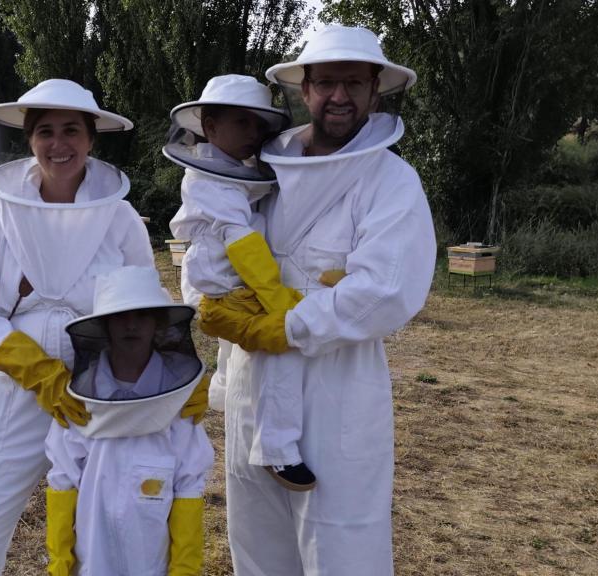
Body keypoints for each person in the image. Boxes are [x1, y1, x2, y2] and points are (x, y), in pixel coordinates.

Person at [0, 79, 208, 575]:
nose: (58, 144)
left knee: (113, 534)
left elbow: (144, 305)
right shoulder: (1, 211)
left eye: (71, 130)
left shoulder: (119, 216)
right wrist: (39, 372)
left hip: (106, 389)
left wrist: (179, 379)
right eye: (45, 131)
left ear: (91, 138)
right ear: (29, 139)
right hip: (21, 388)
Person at [197, 26, 437, 575]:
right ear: (304, 89)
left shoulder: (391, 181)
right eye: (326, 82)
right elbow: (212, 239)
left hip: (336, 390)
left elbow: (385, 288)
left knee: (341, 548)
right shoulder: (260, 168)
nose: (339, 96)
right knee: (257, 545)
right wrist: (213, 301)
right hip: (253, 383)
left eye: (353, 83)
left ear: (375, 92)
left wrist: (287, 327)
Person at [166, 74, 322, 491]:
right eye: (241, 122)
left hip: (222, 287)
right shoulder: (209, 182)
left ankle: (221, 390)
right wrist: (277, 300)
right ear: (210, 126)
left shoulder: (230, 172)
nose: (253, 133)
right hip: (227, 292)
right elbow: (243, 245)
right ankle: (276, 449)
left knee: (241, 349)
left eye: (257, 124)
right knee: (280, 346)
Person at [44, 266, 214, 576]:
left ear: (157, 323)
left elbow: (189, 484)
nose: (131, 325)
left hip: (152, 560)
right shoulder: (79, 401)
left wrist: (185, 568)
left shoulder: (181, 401)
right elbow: (63, 480)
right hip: (92, 557)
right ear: (105, 326)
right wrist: (60, 564)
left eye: (142, 315)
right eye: (120, 316)